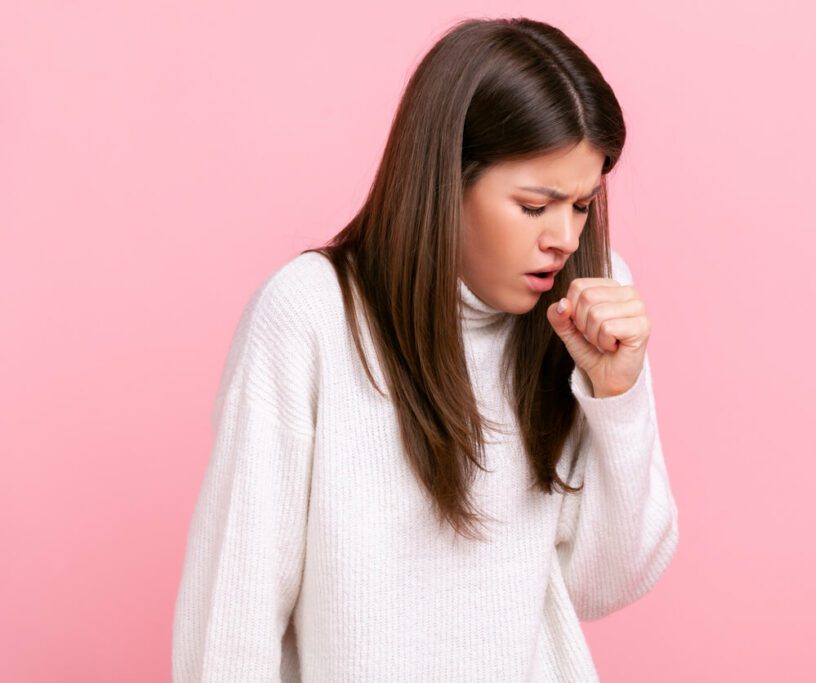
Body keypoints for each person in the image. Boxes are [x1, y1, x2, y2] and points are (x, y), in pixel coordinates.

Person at [171, 16, 679, 682]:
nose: (565, 237)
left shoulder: (587, 307)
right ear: (447, 179)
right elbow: (232, 615)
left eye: (583, 204)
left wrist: (618, 395)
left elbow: (606, 584)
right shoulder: (312, 314)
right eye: (535, 206)